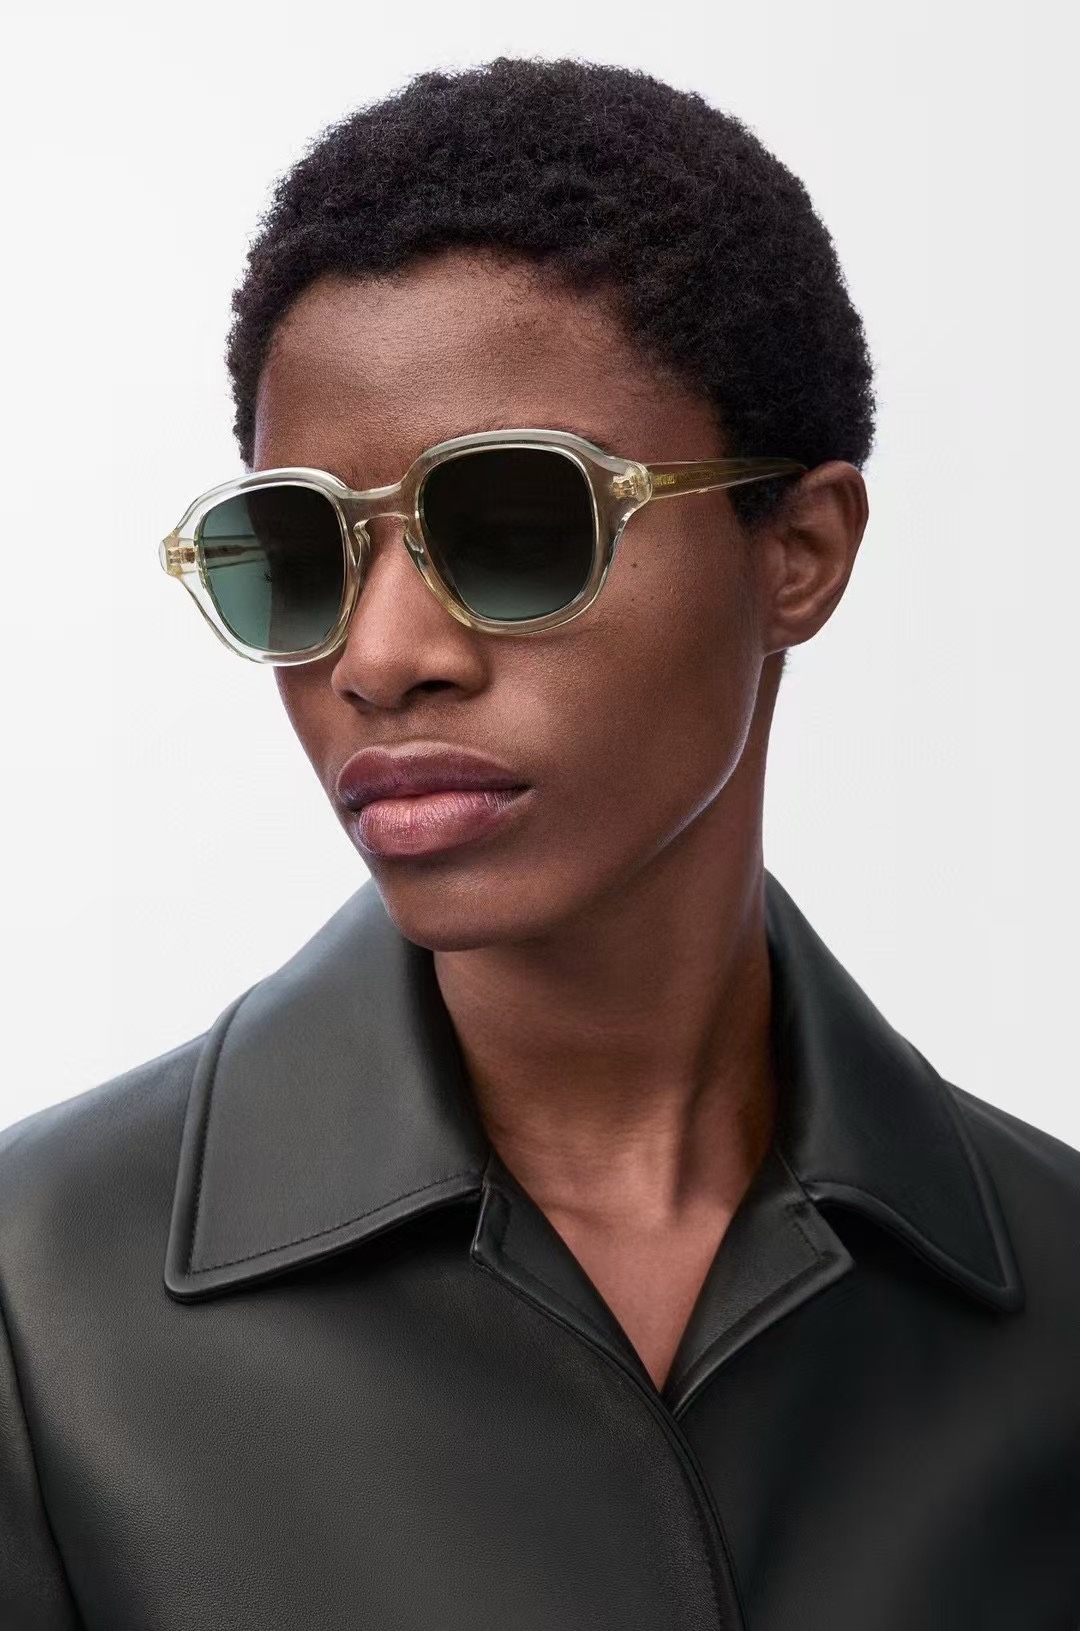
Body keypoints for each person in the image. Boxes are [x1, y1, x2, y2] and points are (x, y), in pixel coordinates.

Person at [1, 56, 1077, 1631]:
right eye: (295, 553)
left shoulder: (1055, 1292)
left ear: (798, 552)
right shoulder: (34, 1307)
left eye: (515, 524)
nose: (380, 656)